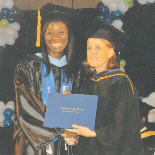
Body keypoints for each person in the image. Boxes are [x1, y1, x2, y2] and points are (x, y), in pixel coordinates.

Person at [66, 18, 143, 155]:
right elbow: (84, 124)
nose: (92, 52)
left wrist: (94, 133)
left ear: (111, 52)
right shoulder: (87, 82)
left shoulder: (120, 82)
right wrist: (75, 136)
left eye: (98, 48)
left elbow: (121, 127)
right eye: (89, 48)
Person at [13, 10, 78, 155]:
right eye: (50, 33)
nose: (56, 37)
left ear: (69, 36)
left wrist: (76, 134)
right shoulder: (27, 67)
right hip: (33, 146)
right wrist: (62, 130)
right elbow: (27, 108)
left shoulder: (74, 72)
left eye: (61, 32)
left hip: (66, 147)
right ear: (42, 36)